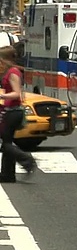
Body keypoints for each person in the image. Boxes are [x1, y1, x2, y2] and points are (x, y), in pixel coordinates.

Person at [0, 46, 36, 183]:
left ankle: (26, 159)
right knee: (6, 141)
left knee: (6, 143)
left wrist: (2, 95)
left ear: (6, 59)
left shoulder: (13, 72)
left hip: (13, 111)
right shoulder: (9, 71)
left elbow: (16, 93)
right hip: (9, 110)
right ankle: (7, 174)